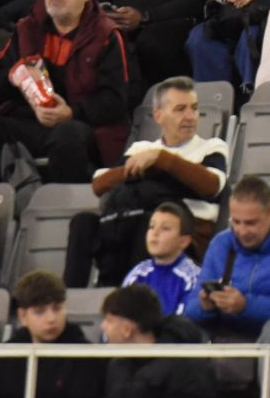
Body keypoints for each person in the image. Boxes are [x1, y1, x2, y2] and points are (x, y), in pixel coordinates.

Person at [0, 0, 135, 185]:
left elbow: (115, 101)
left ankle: (61, 208)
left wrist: (71, 113)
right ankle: (3, 200)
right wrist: (16, 78)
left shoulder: (107, 35)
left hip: (81, 125)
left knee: (67, 137)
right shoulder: (27, 28)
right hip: (28, 119)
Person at [184, 176, 270, 398]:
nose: (241, 231)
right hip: (226, 328)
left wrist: (245, 305)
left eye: (250, 223)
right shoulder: (222, 243)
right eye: (235, 222)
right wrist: (205, 305)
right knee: (183, 328)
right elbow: (190, 308)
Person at [83, 76, 227, 284]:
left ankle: (132, 294)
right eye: (180, 109)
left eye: (194, 108)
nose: (190, 116)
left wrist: (161, 159)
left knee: (149, 220)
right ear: (158, 116)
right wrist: (151, 167)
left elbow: (212, 186)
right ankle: (71, 302)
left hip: (185, 237)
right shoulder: (141, 149)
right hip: (131, 229)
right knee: (83, 224)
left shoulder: (212, 146)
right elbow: (99, 183)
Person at [0, 271, 108, 398]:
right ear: (23, 316)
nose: (51, 318)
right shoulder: (8, 353)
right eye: (40, 312)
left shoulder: (86, 357)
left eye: (57, 308)